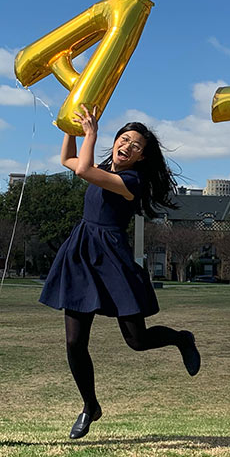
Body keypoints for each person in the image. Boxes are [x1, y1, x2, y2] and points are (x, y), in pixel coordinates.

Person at [40, 106, 201, 439]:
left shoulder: (131, 180)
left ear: (142, 157)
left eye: (136, 145)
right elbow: (68, 160)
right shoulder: (102, 166)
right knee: (74, 341)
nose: (127, 146)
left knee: (137, 341)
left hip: (112, 257)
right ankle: (90, 406)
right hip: (82, 254)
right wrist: (69, 124)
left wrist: (90, 132)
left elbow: (82, 169)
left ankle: (181, 338)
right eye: (124, 139)